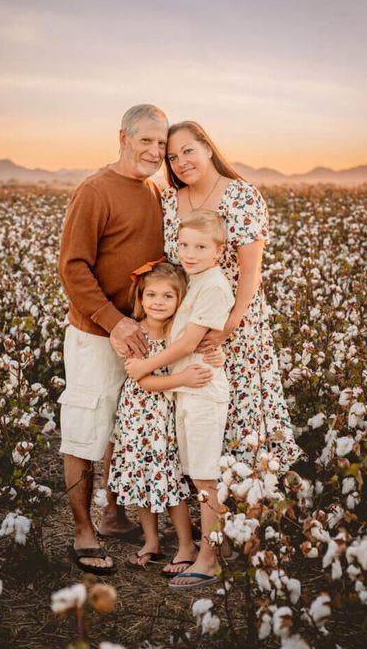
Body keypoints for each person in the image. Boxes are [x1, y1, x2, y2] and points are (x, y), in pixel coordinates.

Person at [58, 104, 168, 574]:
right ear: (122, 137)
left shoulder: (154, 192)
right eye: (146, 140)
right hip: (95, 333)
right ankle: (83, 532)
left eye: (161, 143)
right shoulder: (95, 190)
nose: (154, 150)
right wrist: (114, 321)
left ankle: (113, 513)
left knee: (123, 428)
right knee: (86, 430)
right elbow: (73, 266)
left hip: (140, 333)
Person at [162, 120, 304, 472]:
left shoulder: (241, 195)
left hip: (233, 316)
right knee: (189, 400)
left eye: (188, 151)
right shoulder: (169, 200)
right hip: (185, 317)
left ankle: (244, 489)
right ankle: (202, 495)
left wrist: (229, 325)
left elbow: (250, 271)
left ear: (208, 148)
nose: (181, 162)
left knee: (237, 400)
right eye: (172, 157)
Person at [125, 211, 235, 589]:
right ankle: (220, 544)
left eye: (201, 246)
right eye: (184, 244)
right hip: (186, 389)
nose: (189, 252)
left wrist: (143, 368)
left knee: (205, 477)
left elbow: (188, 343)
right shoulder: (192, 278)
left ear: (218, 251)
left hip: (202, 390)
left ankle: (209, 558)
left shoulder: (215, 284)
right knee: (196, 473)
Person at [108, 261, 210, 574]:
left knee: (170, 481)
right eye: (151, 295)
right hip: (138, 417)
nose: (158, 302)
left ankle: (185, 546)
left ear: (180, 301)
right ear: (140, 297)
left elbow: (200, 350)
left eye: (168, 297)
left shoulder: (179, 333)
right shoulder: (133, 333)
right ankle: (151, 541)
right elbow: (144, 381)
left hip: (164, 422)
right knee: (141, 478)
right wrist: (182, 380)